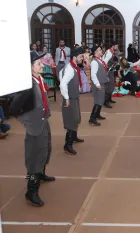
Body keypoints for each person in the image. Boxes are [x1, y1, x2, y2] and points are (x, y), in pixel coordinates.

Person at [9, 52, 56, 207]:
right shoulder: (27, 86)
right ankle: (31, 190)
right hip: (35, 126)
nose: (42, 65)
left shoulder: (38, 80)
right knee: (34, 158)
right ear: (29, 68)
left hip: (43, 121)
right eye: (38, 64)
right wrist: (27, 122)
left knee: (45, 150)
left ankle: (40, 174)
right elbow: (14, 109)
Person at [59, 47, 85, 155]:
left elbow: (60, 74)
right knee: (71, 120)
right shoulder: (70, 68)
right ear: (74, 57)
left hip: (74, 96)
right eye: (80, 56)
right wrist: (66, 98)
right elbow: (63, 83)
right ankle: (67, 144)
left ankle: (73, 137)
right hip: (70, 98)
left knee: (76, 118)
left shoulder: (73, 67)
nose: (82, 58)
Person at [89, 45, 109, 126]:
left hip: (101, 82)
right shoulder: (94, 62)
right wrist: (97, 84)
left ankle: (97, 114)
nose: (101, 51)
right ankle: (92, 118)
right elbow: (93, 75)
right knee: (98, 100)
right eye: (100, 50)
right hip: (98, 84)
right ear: (95, 52)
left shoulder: (100, 60)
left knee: (101, 99)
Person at [102, 41, 119, 108]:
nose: (117, 47)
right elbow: (104, 62)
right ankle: (105, 102)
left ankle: (109, 99)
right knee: (109, 86)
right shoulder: (109, 53)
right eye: (116, 46)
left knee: (111, 85)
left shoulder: (110, 51)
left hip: (111, 71)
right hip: (108, 71)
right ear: (113, 46)